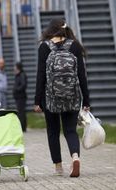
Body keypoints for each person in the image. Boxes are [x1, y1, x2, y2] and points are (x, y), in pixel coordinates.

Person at [34, 18, 90, 177]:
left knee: (53, 131)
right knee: (71, 130)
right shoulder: (74, 45)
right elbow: (81, 75)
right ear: (65, 29)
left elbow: (40, 76)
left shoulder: (44, 47)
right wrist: (86, 100)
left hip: (50, 97)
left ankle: (58, 166)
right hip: (72, 95)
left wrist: (37, 101)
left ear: (50, 30)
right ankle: (75, 157)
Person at [13, 62, 27, 132]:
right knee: (20, 112)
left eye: (15, 66)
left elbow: (23, 85)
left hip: (21, 97)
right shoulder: (17, 75)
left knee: (21, 112)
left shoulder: (22, 75)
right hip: (18, 97)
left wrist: (16, 89)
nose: (14, 68)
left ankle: (23, 127)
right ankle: (22, 126)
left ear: (18, 67)